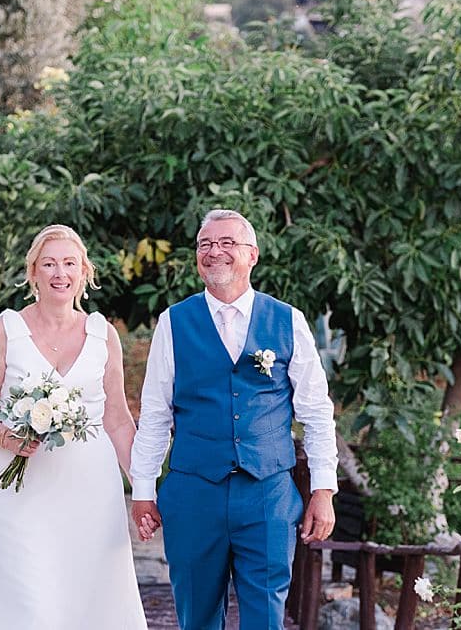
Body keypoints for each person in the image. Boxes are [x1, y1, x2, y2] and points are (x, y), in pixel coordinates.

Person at [131, 209, 338, 630]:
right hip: (193, 493)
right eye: (205, 245)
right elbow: (154, 414)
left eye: (227, 243)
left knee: (265, 618)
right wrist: (143, 489)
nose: (214, 252)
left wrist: (323, 489)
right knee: (197, 617)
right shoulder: (173, 322)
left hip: (268, 494)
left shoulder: (287, 320)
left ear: (253, 255)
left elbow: (317, 411)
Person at [0, 224, 147, 629]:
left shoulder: (103, 334)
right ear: (33, 273)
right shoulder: (7, 329)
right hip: (23, 490)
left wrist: (146, 490)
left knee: (92, 600)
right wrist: (9, 437)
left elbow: (116, 420)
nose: (59, 273)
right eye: (49, 264)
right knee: (28, 602)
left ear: (84, 272)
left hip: (91, 490)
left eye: (68, 263)